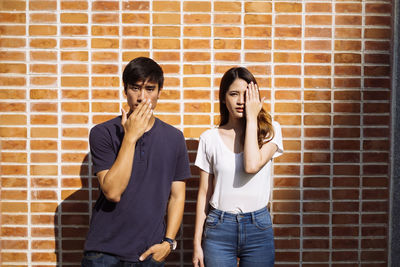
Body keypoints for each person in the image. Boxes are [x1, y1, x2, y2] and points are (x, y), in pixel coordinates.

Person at [82, 57, 191, 267]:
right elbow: (112, 192)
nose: (142, 97)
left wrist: (168, 243)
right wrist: (130, 137)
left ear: (159, 92)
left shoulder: (174, 138)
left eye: (150, 89)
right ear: (125, 90)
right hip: (104, 253)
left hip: (149, 254)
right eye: (135, 88)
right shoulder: (103, 133)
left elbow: (177, 195)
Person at [192, 67, 284, 267]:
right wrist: (196, 244)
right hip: (219, 227)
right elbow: (204, 193)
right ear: (224, 98)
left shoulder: (271, 131)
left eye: (247, 94)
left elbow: (251, 165)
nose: (241, 101)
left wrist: (252, 119)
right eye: (234, 94)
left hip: (257, 227)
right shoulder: (209, 138)